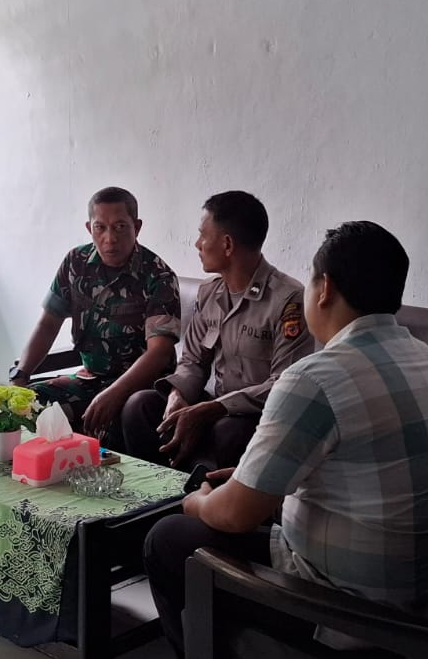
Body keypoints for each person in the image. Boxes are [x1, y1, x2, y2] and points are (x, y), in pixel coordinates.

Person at [142, 221, 428, 659]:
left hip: (352, 612)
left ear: (325, 289)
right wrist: (255, 484)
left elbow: (234, 515)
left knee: (169, 538)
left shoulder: (316, 377)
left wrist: (199, 503)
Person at [118, 191, 314, 469]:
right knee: (139, 406)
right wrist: (178, 395)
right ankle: (157, 490)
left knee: (228, 432)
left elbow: (284, 384)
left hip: (254, 416)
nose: (197, 244)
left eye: (202, 235)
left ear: (227, 244)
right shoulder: (210, 293)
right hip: (212, 405)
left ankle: (202, 492)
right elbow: (192, 361)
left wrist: (217, 408)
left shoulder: (288, 300)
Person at [8, 187, 182, 443]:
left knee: (108, 422)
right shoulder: (75, 263)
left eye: (120, 227)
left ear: (137, 227)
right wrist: (20, 376)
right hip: (89, 379)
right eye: (100, 227)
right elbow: (48, 324)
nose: (110, 238)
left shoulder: (158, 276)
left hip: (140, 386)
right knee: (22, 407)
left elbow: (159, 353)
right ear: (90, 228)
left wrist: (113, 393)